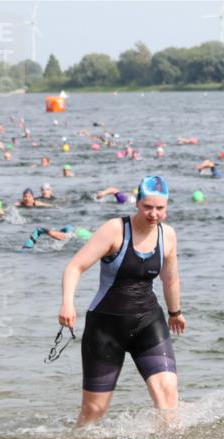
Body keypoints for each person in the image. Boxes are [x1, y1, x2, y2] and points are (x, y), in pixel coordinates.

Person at [59, 176, 185, 426]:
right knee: (94, 411)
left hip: (148, 322)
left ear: (166, 208)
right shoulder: (115, 230)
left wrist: (175, 312)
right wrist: (67, 303)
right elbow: (75, 266)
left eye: (160, 208)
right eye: (147, 207)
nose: (153, 214)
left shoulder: (167, 236)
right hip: (106, 328)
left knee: (168, 395)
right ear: (137, 203)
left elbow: (170, 279)